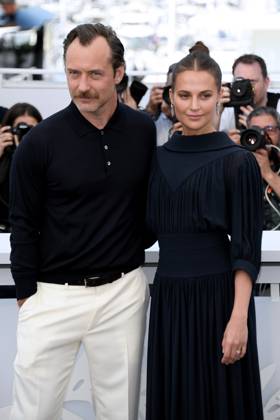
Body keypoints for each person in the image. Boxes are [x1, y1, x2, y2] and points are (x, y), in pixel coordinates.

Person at [9, 23, 156, 420]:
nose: (82, 86)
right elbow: (21, 222)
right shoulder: (40, 142)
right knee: (33, 412)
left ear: (119, 73)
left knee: (120, 411)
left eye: (95, 74)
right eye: (74, 73)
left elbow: (149, 202)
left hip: (122, 293)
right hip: (51, 295)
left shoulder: (143, 132)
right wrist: (28, 296)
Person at [146, 51, 264, 419]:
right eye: (184, 95)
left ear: (220, 96)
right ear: (170, 97)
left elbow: (246, 248)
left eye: (204, 95)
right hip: (169, 300)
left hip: (220, 302)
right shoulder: (156, 159)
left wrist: (238, 318)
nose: (194, 106)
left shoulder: (238, 161)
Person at [0, 102, 42, 231]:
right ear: (8, 130)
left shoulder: (45, 158)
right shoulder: (3, 159)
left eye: (31, 129)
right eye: (21, 129)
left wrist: (23, 154)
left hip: (31, 230)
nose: (26, 135)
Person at [219, 54, 280, 139]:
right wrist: (215, 114)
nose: (246, 87)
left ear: (266, 82)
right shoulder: (227, 108)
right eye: (240, 81)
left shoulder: (278, 105)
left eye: (251, 82)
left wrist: (256, 128)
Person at [246, 106, 280, 230]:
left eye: (269, 129)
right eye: (256, 130)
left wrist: (268, 173)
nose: (263, 135)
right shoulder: (236, 164)